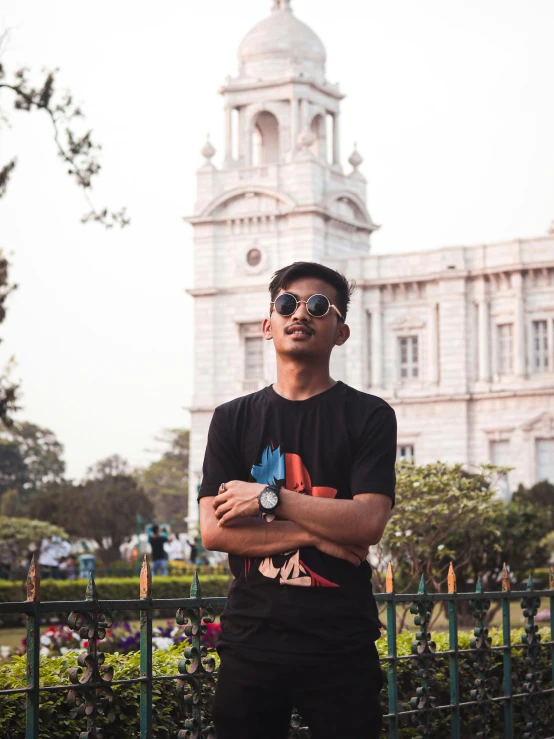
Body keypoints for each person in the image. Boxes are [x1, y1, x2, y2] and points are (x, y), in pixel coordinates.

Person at [199, 262, 397, 739]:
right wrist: (321, 530)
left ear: (341, 331)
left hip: (340, 643)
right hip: (250, 642)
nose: (300, 314)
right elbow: (214, 531)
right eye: (287, 303)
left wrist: (268, 499)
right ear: (268, 325)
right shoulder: (231, 420)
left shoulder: (369, 416)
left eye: (318, 306)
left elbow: (369, 522)